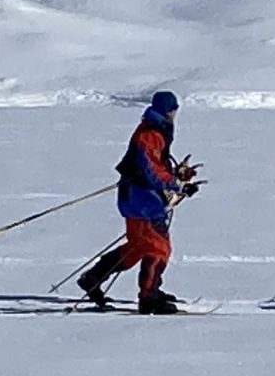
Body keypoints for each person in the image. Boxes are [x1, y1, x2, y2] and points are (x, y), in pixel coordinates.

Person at [76, 91, 198, 314]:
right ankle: (148, 298)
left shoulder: (155, 129)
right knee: (157, 248)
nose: (174, 114)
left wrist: (177, 173)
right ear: (166, 110)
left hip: (135, 196)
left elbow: (155, 164)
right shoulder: (151, 133)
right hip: (142, 199)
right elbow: (150, 169)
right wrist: (176, 184)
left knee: (137, 247)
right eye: (173, 110)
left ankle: (93, 277)